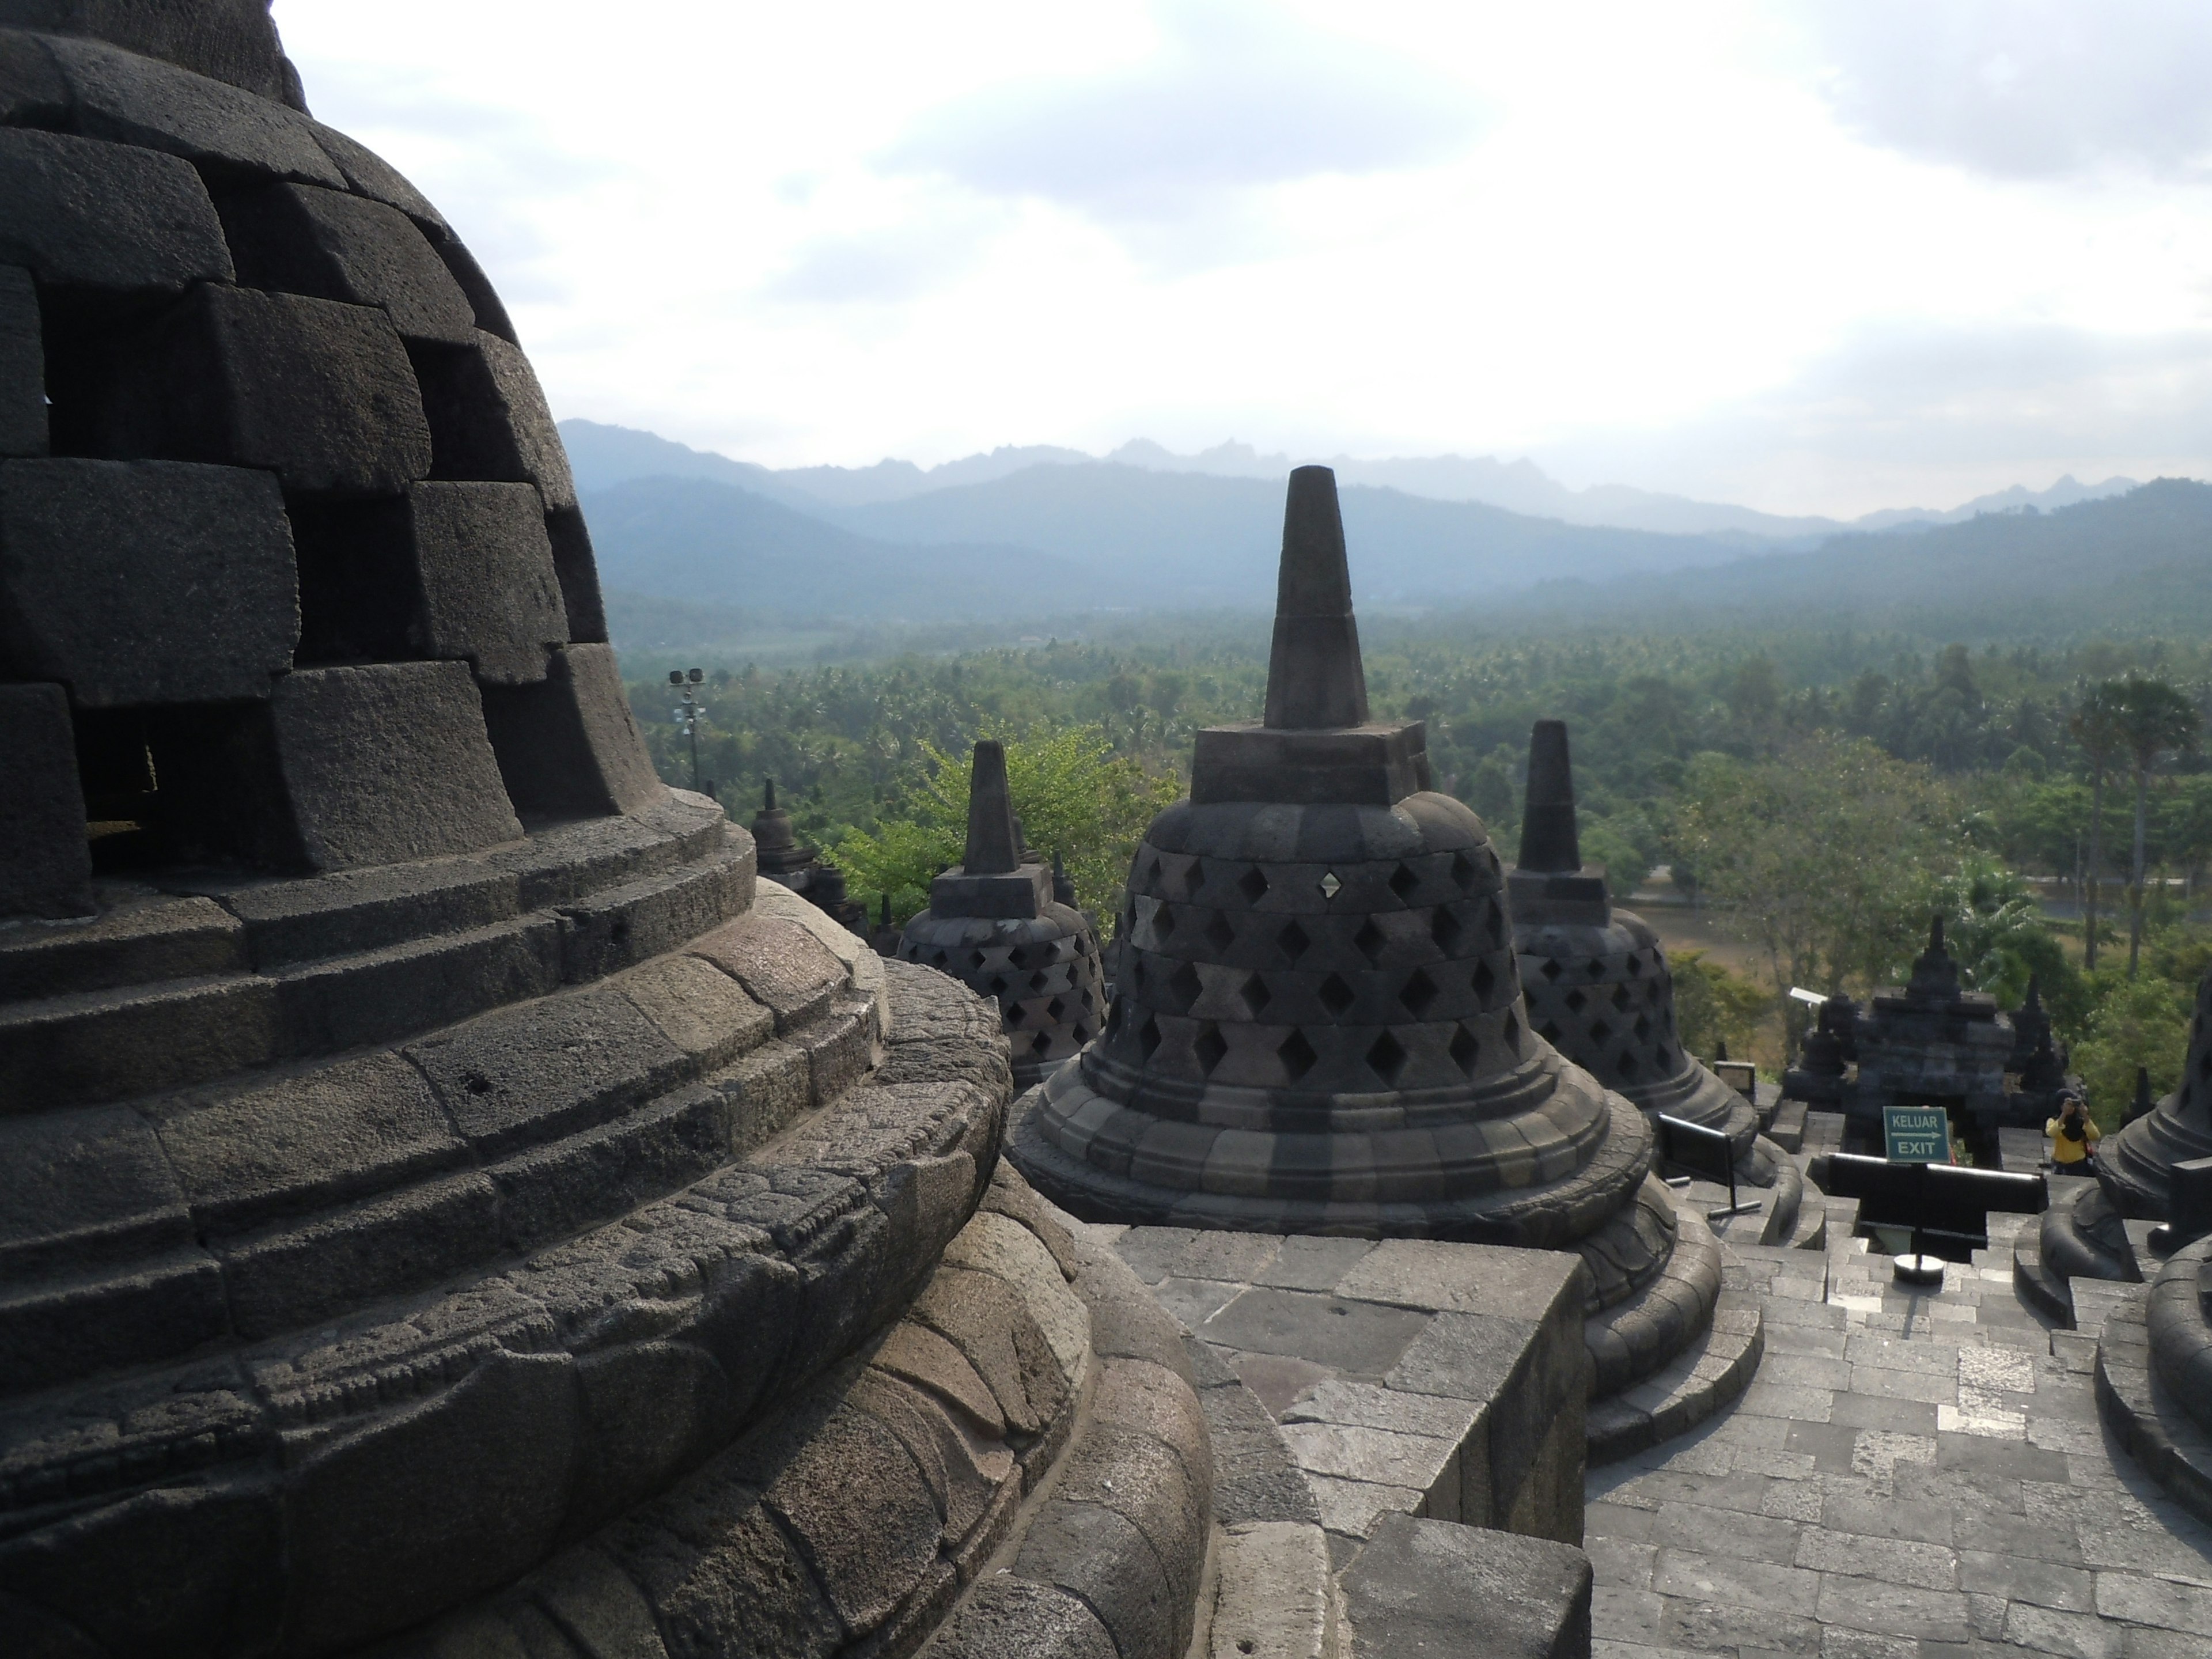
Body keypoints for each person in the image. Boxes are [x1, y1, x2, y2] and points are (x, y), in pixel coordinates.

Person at [2047, 1092, 2101, 1172]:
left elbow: (2095, 1136)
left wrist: (2085, 1115)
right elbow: (2052, 1133)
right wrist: (2064, 1114)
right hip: (2060, 1165)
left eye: (2073, 1105)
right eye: (2068, 1105)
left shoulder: (2081, 1122)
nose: (2071, 1108)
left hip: (2079, 1164)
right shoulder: (2054, 1121)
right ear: (2061, 1105)